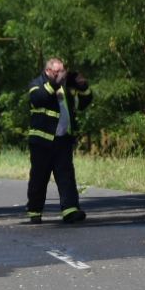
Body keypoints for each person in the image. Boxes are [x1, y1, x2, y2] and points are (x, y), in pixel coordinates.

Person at [25, 57, 92, 223]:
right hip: (42, 142)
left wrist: (84, 87)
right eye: (58, 72)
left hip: (63, 140)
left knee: (66, 176)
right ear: (48, 71)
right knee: (39, 178)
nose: (62, 74)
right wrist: (55, 84)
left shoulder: (67, 85)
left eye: (63, 71)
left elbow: (85, 102)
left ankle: (70, 210)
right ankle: (35, 211)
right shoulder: (37, 83)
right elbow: (38, 98)